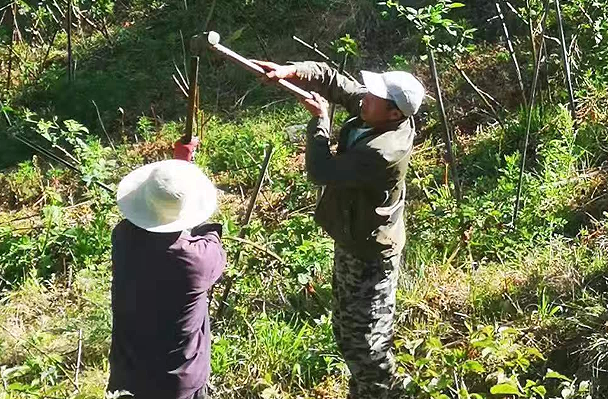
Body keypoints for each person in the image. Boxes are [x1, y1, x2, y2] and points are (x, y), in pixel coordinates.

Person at [254, 59, 425, 399]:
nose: (365, 98)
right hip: (353, 237)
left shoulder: (383, 152)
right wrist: (293, 71)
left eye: (375, 96)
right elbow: (334, 81)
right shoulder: (374, 111)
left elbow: (323, 171)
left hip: (371, 253)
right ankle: (363, 390)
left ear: (394, 114)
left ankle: (380, 392)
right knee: (347, 329)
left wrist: (320, 122)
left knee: (368, 342)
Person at [106, 137, 225, 399]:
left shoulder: (123, 238)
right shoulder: (199, 259)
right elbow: (207, 235)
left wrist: (180, 169)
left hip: (129, 374)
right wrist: (186, 183)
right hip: (177, 384)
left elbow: (158, 220)